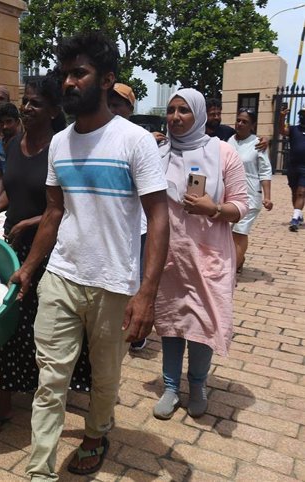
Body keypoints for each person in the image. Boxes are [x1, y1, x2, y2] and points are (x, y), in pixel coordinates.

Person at [11, 32, 170, 479]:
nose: (68, 83)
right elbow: (54, 212)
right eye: (64, 74)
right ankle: (40, 470)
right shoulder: (60, 143)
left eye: (78, 73)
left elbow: (159, 218)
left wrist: (147, 294)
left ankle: (97, 433)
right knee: (51, 380)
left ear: (106, 80)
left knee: (104, 378)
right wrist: (28, 268)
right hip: (61, 274)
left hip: (113, 282)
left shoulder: (134, 141)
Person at [0, 74, 91, 438]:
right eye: (26, 100)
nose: (26, 107)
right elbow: (14, 188)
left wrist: (29, 223)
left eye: (36, 102)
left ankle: (62, 388)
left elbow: (70, 205)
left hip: (53, 251)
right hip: (15, 246)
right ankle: (6, 401)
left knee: (56, 328)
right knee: (12, 326)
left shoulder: (63, 147)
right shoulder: (16, 143)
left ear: (55, 109)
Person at [153, 89, 248, 421]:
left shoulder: (223, 153)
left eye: (184, 111)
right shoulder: (159, 153)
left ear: (200, 115)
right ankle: (169, 386)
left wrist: (215, 208)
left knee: (203, 323)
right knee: (170, 320)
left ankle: (197, 385)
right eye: (171, 110)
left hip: (209, 255)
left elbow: (241, 205)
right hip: (168, 255)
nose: (176, 117)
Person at [108, 83, 148, 352]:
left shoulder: (140, 140)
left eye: (118, 105)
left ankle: (136, 328)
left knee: (135, 275)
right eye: (108, 103)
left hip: (138, 224)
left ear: (130, 109)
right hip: (111, 225)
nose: (112, 109)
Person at [229, 108, 273, 271]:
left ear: (253, 125)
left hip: (250, 196)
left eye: (245, 121)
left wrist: (267, 197)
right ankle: (238, 260)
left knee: (239, 233)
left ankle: (231, 272)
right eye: (238, 120)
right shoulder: (229, 141)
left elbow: (265, 170)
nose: (240, 124)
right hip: (230, 195)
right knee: (229, 232)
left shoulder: (258, 144)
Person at [280, 106, 305, 231]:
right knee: (295, 192)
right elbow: (282, 131)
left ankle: (294, 220)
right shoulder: (294, 129)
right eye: (302, 114)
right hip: (293, 166)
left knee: (301, 192)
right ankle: (299, 214)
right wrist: (282, 117)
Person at [0, 102, 21, 171]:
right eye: (2, 123)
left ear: (17, 122)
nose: (5, 126)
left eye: (9, 121)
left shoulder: (26, 146)